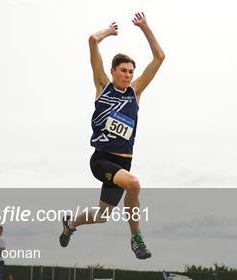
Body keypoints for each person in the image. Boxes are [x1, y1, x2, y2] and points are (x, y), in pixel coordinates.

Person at [59, 12, 165, 260]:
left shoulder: (135, 92)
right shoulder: (102, 86)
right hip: (102, 160)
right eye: (123, 71)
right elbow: (92, 40)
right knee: (134, 184)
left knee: (102, 216)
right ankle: (136, 238)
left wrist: (145, 28)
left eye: (131, 71)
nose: (128, 75)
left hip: (123, 163)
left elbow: (160, 57)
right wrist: (109, 31)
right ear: (113, 71)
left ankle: (70, 225)